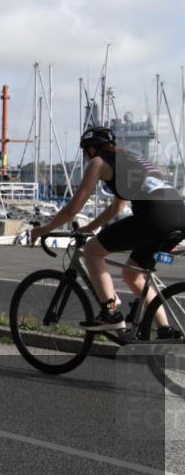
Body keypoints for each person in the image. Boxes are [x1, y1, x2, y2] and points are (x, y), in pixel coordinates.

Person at [30, 126, 185, 334]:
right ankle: (165, 329)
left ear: (92, 149)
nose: (86, 158)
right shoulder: (130, 159)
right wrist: (89, 228)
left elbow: (73, 208)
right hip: (179, 216)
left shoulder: (98, 163)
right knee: (133, 275)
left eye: (85, 152)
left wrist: (45, 229)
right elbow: (116, 208)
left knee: (93, 252)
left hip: (153, 216)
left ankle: (110, 313)